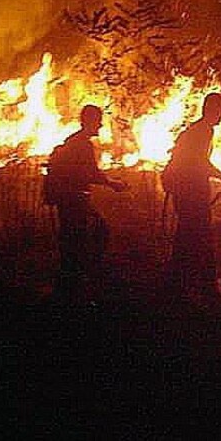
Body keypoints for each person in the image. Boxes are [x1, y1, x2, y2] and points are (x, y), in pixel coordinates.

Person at [49, 104, 127, 303]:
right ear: (89, 121)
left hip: (69, 199)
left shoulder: (73, 141)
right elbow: (91, 173)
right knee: (88, 236)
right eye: (98, 121)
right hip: (75, 200)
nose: (100, 125)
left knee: (74, 239)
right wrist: (113, 184)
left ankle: (71, 282)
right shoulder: (82, 144)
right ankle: (78, 284)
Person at [165, 92, 221, 297]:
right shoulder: (202, 131)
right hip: (191, 193)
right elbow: (199, 163)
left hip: (186, 191)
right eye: (220, 110)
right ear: (210, 110)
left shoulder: (197, 130)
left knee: (186, 236)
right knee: (202, 237)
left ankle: (175, 281)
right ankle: (208, 285)